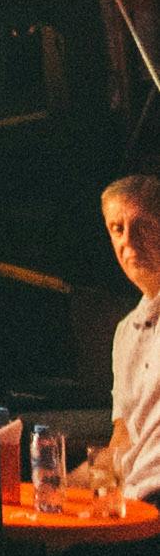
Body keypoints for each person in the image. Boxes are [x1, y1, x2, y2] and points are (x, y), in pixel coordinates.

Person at [107, 171, 160, 499]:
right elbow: (123, 441)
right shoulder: (126, 331)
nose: (127, 240)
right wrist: (63, 485)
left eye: (141, 226)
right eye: (117, 228)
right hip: (135, 501)